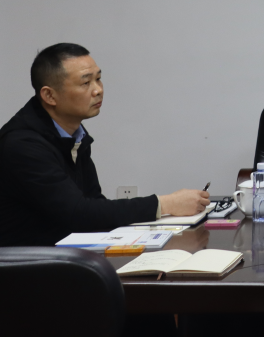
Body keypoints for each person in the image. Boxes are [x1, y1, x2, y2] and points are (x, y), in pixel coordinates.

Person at [0, 43, 210, 247]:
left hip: (67, 252)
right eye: (85, 83)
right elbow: (78, 213)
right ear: (49, 95)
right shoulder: (22, 144)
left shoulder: (74, 135)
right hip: (27, 262)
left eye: (98, 79)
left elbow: (94, 204)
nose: (98, 90)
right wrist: (164, 204)